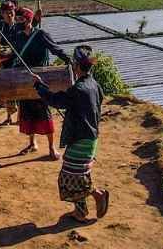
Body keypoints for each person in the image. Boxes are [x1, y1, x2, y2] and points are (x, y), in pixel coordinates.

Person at [33, 45, 110, 222]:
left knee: (70, 177)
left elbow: (56, 100)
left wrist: (39, 86)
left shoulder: (78, 89)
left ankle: (96, 196)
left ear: (76, 66)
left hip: (81, 138)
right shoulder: (94, 86)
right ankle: (81, 211)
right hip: (90, 136)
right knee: (77, 175)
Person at [12, 6, 70, 159]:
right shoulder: (18, 36)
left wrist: (70, 60)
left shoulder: (41, 35)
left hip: (40, 78)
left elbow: (55, 49)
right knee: (27, 111)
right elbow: (15, 55)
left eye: (21, 19)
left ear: (28, 20)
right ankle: (32, 143)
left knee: (44, 112)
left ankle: (51, 148)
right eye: (16, 19)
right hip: (25, 78)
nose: (18, 22)